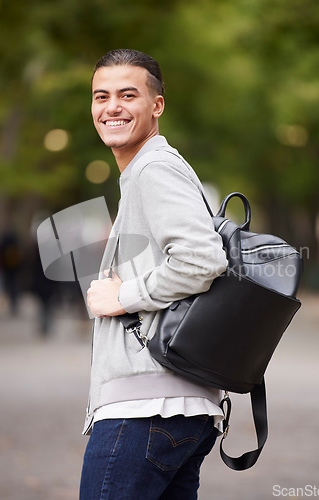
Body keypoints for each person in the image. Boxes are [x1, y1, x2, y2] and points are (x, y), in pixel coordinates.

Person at [82, 49, 228, 499]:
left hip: (146, 410)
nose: (112, 108)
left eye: (128, 95)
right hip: (171, 408)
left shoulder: (154, 170)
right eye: (101, 96)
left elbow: (202, 260)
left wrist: (125, 295)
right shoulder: (147, 173)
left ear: (157, 105)